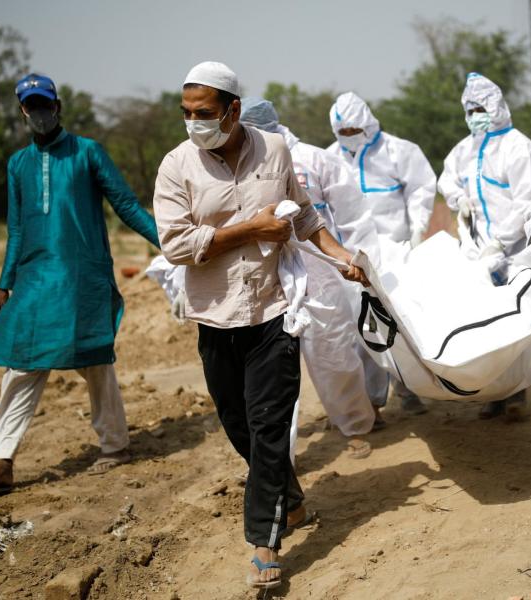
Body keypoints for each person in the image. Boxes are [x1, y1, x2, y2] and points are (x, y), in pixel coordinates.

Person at [153, 62, 368, 590]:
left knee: (270, 428)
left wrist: (341, 256)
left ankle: (264, 544)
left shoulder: (274, 151)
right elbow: (176, 245)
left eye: (203, 113)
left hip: (275, 310)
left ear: (232, 110)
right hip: (216, 317)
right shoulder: (176, 166)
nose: (194, 123)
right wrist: (249, 228)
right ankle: (289, 499)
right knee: (240, 426)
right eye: (186, 113)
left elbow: (304, 215)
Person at [0, 73, 160, 497]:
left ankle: (114, 444)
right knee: (22, 362)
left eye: (45, 105)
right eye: (31, 107)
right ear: (22, 111)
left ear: (59, 106)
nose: (39, 113)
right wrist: (4, 281)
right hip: (35, 277)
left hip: (82, 274)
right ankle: (0, 461)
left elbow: (124, 203)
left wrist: (171, 242)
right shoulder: (17, 164)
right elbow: (16, 228)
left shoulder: (88, 152)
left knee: (94, 358)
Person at [239, 97, 378, 458]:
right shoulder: (239, 165)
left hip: (318, 269)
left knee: (332, 352)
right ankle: (276, 456)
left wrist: (359, 260)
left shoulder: (314, 159)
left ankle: (355, 424)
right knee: (271, 370)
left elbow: (353, 215)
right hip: (266, 276)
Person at [438, 72, 531, 421]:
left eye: (480, 108)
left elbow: (527, 202)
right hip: (479, 249)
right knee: (486, 320)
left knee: (517, 317)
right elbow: (446, 177)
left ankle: (517, 392)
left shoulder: (522, 148)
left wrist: (501, 243)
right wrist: (458, 198)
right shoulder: (465, 149)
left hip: (516, 248)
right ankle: (495, 391)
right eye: (469, 109)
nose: (475, 115)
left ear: (497, 107)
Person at [326, 91, 437, 423]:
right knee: (361, 329)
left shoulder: (398, 151)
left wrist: (417, 228)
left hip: (394, 252)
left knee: (403, 323)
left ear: (368, 124)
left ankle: (410, 389)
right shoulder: (330, 158)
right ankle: (371, 401)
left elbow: (421, 188)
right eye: (342, 133)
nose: (348, 139)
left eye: (353, 131)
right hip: (352, 258)